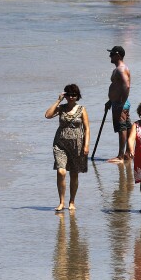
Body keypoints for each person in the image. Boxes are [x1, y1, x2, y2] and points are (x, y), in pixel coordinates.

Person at [45, 84, 90, 212]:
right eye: (69, 95)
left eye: (74, 95)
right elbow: (47, 115)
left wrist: (86, 145)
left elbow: (87, 129)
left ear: (77, 96)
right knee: (61, 171)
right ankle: (61, 202)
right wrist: (58, 100)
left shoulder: (82, 109)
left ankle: (72, 201)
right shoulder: (61, 108)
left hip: (77, 144)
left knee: (74, 174)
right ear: (65, 95)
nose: (71, 97)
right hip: (60, 143)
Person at [106, 45, 132, 164]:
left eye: (112, 54)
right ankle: (127, 153)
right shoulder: (120, 68)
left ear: (118, 55)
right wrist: (110, 101)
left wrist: (121, 102)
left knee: (122, 128)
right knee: (126, 127)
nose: (110, 56)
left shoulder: (120, 69)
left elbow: (126, 85)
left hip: (120, 103)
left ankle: (121, 156)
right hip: (117, 102)